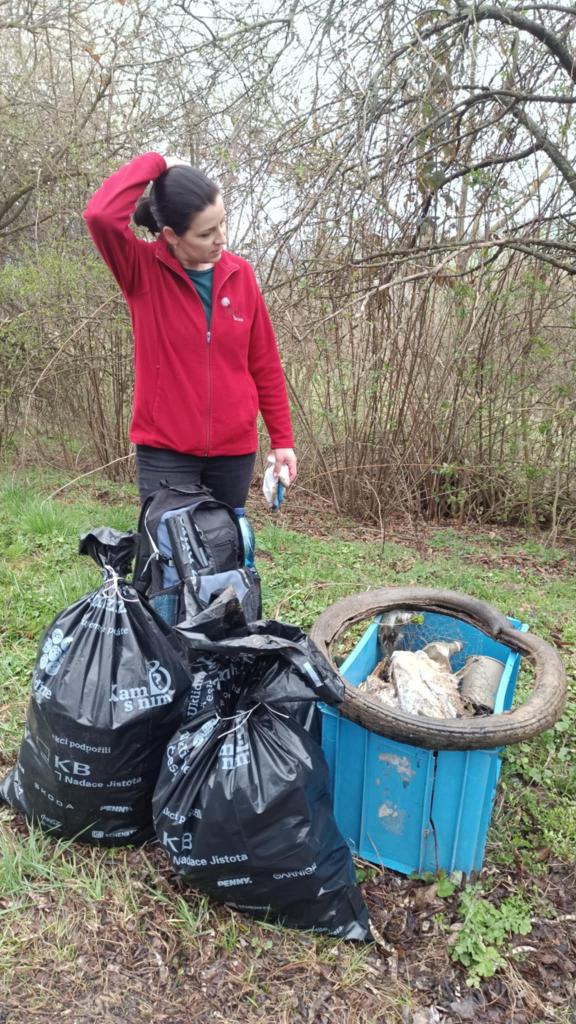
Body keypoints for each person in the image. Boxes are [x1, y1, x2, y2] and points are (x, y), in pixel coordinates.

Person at [83, 152, 297, 508]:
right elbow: (100, 216)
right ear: (172, 235)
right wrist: (157, 162)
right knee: (167, 544)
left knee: (224, 544)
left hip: (233, 454)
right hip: (165, 453)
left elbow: (264, 363)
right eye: (207, 233)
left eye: (223, 223)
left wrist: (282, 440)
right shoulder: (141, 271)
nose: (221, 239)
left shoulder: (240, 275)